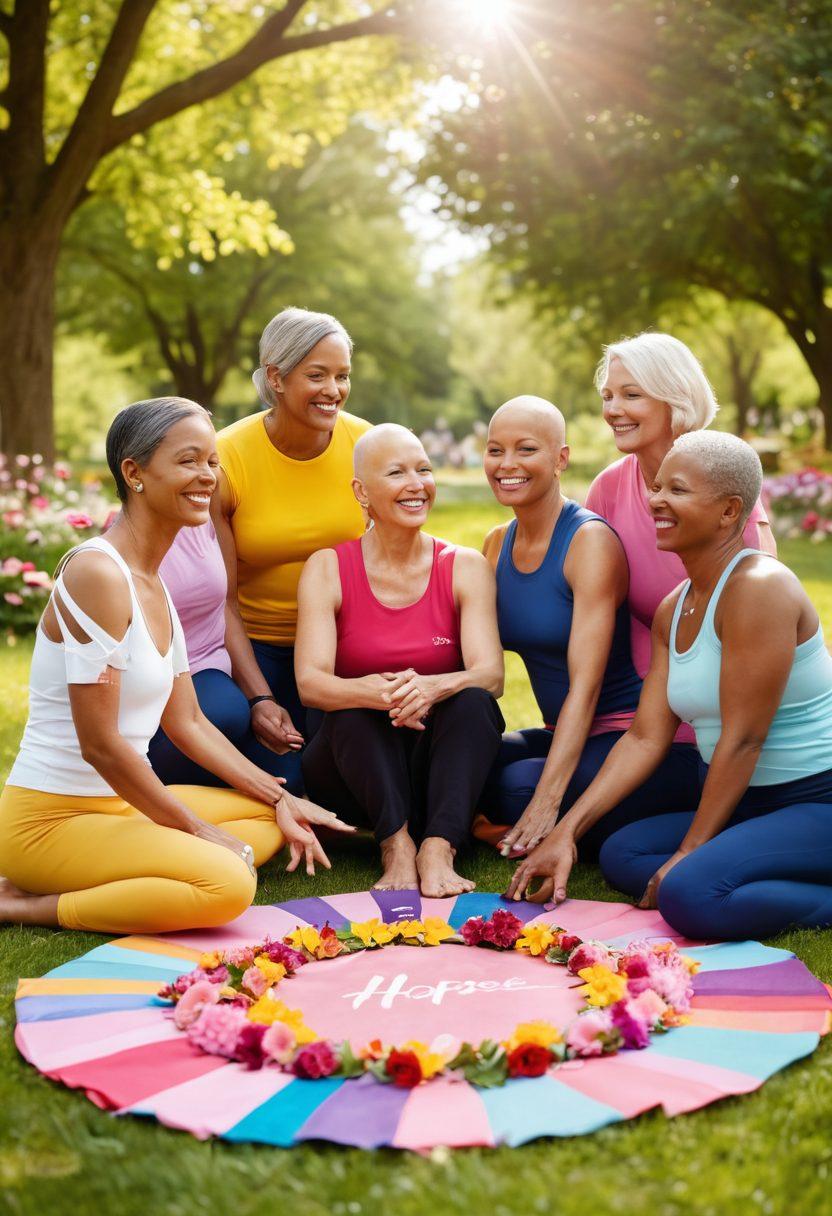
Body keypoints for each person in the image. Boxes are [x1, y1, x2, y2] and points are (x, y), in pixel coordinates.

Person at [0, 398, 352, 935]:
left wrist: (285, 797)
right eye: (189, 461)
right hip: (51, 819)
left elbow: (187, 723)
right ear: (134, 472)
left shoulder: (156, 585)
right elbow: (102, 747)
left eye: (212, 461)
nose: (207, 476)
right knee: (228, 883)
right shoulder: (97, 575)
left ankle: (108, 871)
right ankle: (21, 904)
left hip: (118, 809)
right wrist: (201, 833)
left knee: (269, 821)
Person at [507, 432, 832, 942]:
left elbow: (743, 739)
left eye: (677, 490)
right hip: (746, 803)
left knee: (688, 893)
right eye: (657, 487)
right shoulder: (674, 607)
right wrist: (565, 831)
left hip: (814, 799)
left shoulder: (760, 590)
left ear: (729, 512)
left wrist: (687, 853)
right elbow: (643, 737)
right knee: (621, 852)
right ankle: (755, 868)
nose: (656, 500)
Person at [479, 397, 700, 858]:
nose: (507, 465)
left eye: (526, 449)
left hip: (631, 737)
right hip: (562, 730)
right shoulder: (496, 544)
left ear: (561, 458)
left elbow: (586, 684)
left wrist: (547, 800)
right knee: (475, 759)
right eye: (495, 450)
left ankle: (693, 818)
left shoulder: (588, 542)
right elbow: (472, 656)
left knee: (519, 788)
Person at [295, 424, 505, 897]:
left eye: (424, 469)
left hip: (436, 768)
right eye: (397, 473)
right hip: (354, 771)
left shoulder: (465, 565)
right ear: (361, 491)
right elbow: (310, 683)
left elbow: (490, 674)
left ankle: (438, 845)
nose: (417, 484)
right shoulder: (327, 567)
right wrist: (382, 693)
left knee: (472, 701)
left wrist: (432, 688)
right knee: (347, 706)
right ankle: (395, 844)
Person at [213, 308, 372, 781]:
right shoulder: (226, 457)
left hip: (343, 644)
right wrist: (260, 697)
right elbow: (220, 599)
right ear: (277, 378)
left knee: (338, 782)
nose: (334, 391)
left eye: (342, 376)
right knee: (291, 780)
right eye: (317, 375)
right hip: (258, 647)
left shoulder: (365, 445)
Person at [585, 333, 776, 699]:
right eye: (608, 396)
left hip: (731, 700)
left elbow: (760, 612)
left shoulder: (723, 474)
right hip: (637, 700)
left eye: (631, 394)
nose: (612, 409)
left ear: (674, 397)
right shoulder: (607, 489)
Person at [146, 520, 302, 792]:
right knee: (221, 711)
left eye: (208, 471)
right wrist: (267, 790)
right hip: (156, 687)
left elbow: (225, 605)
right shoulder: (116, 554)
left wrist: (261, 700)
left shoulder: (200, 522)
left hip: (207, 662)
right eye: (188, 472)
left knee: (288, 774)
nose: (207, 476)